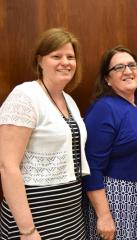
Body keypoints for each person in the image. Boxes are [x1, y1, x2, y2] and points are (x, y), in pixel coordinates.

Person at [0, 28, 90, 239]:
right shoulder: (25, 95)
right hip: (35, 215)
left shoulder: (69, 101)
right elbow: (7, 167)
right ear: (40, 61)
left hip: (70, 214)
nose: (65, 62)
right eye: (56, 56)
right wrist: (27, 230)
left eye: (70, 57)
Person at [83, 46, 137, 240]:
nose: (128, 71)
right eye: (119, 67)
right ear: (107, 78)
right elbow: (92, 166)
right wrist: (104, 216)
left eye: (132, 65)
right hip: (120, 201)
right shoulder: (104, 109)